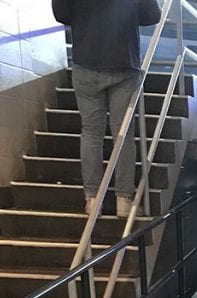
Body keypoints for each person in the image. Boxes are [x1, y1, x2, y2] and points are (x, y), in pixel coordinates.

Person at [51, 0, 161, 218]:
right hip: (123, 61)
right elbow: (152, 15)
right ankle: (123, 200)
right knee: (122, 134)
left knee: (91, 132)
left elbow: (61, 13)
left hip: (86, 62)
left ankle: (93, 200)